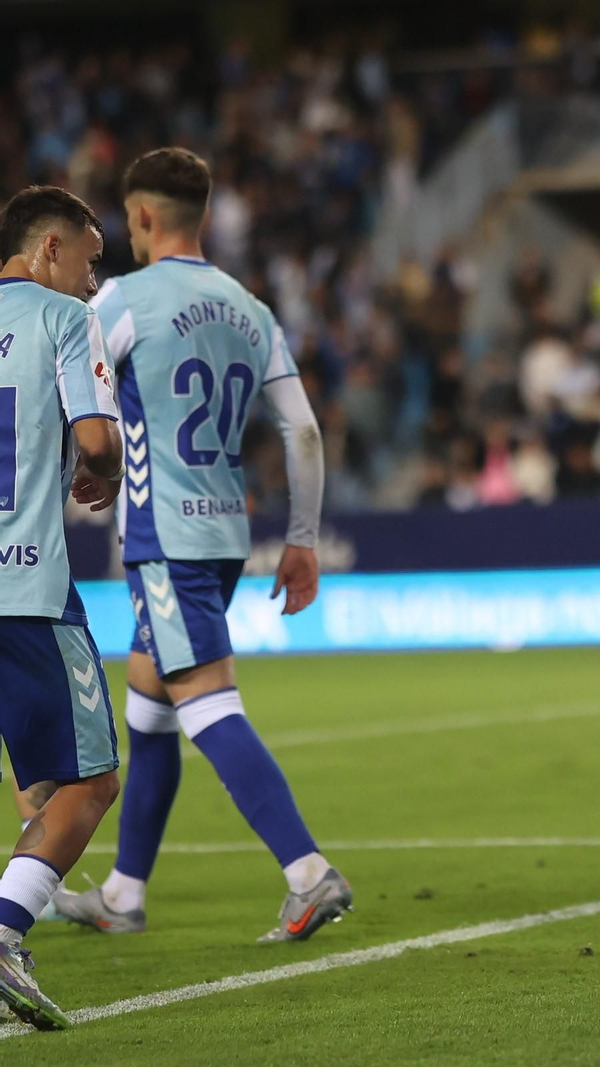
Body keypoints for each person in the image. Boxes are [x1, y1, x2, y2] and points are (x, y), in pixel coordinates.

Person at [52, 148, 350, 943]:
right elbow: (303, 431)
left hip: (164, 538)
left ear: (142, 216)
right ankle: (123, 893)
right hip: (223, 535)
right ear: (205, 215)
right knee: (148, 704)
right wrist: (302, 538)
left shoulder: (121, 299)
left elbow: (76, 396)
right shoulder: (250, 308)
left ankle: (308, 871)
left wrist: (75, 473)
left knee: (209, 702)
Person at [0, 185, 124, 1028]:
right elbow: (97, 438)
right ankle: (5, 931)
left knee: (41, 785)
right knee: (89, 782)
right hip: (27, 588)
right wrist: (102, 470)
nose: (92, 280)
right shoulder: (63, 318)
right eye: (88, 258)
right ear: (48, 248)